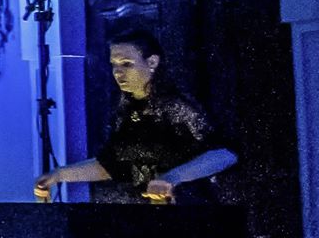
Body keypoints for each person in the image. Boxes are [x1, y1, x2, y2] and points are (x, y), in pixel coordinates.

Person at [34, 28, 236, 203]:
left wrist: (172, 177)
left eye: (127, 64)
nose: (118, 72)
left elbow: (224, 154)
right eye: (114, 64)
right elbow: (110, 165)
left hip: (188, 209)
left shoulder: (176, 105)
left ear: (152, 62)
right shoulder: (126, 110)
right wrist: (59, 175)